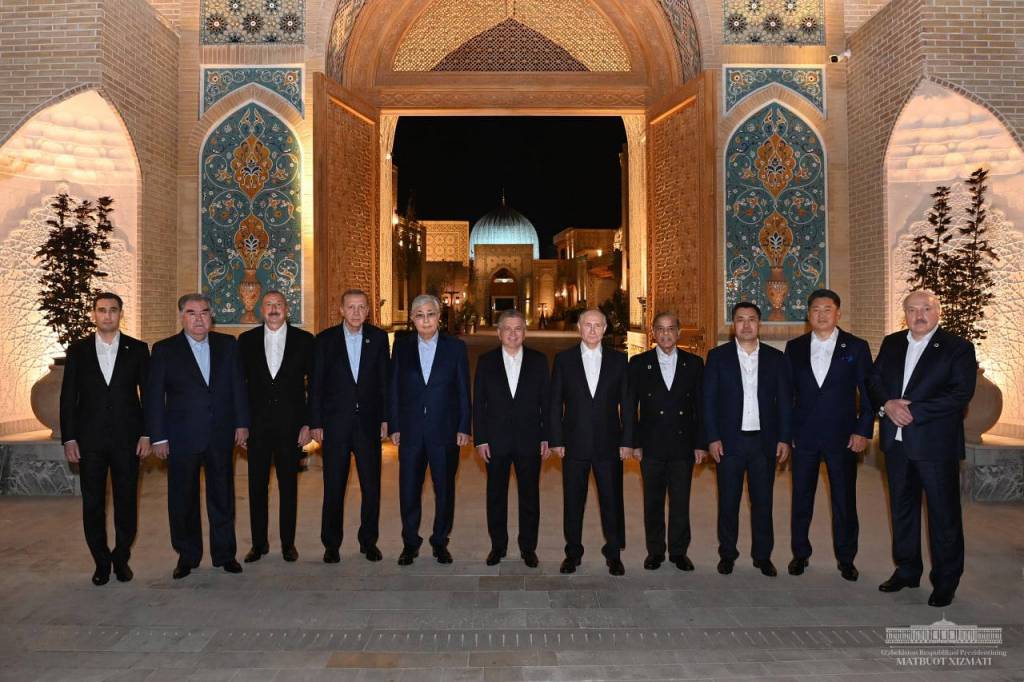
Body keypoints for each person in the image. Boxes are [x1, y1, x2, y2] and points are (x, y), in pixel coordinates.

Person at [869, 290, 976, 608]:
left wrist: (913, 411)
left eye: (926, 309)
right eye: (912, 309)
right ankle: (906, 570)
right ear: (905, 314)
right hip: (897, 444)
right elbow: (873, 381)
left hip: (935, 446)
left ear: (937, 311)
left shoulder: (958, 347)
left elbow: (960, 394)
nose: (919, 315)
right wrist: (886, 405)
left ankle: (945, 581)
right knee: (902, 510)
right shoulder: (892, 343)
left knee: (944, 516)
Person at [146, 293, 249, 579]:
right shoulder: (165, 350)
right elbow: (154, 397)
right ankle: (187, 556)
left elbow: (238, 387)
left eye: (204, 312)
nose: (199, 318)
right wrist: (158, 437)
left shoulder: (228, 345)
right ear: (182, 317)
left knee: (222, 497)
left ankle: (225, 554)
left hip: (220, 434)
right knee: (183, 500)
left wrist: (242, 424)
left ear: (211, 316)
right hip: (181, 437)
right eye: (191, 313)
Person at [59, 292, 149, 585]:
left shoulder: (138, 349)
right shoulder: (78, 350)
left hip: (128, 440)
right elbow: (68, 398)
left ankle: (121, 558)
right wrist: (69, 438)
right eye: (101, 310)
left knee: (127, 502)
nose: (107, 315)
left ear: (121, 313)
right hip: (90, 441)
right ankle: (100, 562)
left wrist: (147, 434)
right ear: (93, 314)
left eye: (112, 310)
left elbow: (148, 396)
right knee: (93, 503)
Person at [784, 289, 873, 581]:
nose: (821, 315)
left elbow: (868, 394)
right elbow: (786, 395)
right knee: (801, 498)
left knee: (844, 501)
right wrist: (787, 432)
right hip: (804, 436)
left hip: (843, 436)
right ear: (808, 315)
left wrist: (863, 430)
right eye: (816, 310)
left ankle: (846, 559)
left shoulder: (856, 346)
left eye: (827, 309)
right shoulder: (794, 347)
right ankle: (800, 554)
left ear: (838, 313)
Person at [703, 301, 791, 577]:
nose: (746, 325)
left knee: (763, 502)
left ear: (759, 324)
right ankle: (727, 554)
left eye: (751, 319)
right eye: (740, 319)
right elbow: (708, 401)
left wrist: (784, 438)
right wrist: (712, 437)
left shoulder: (776, 358)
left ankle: (762, 556)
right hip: (729, 442)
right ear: (733, 325)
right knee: (728, 502)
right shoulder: (717, 357)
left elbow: (785, 402)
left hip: (764, 442)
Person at [548, 309, 633, 576]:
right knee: (573, 502)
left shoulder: (619, 361)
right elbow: (554, 403)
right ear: (579, 328)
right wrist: (556, 439)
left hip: (610, 443)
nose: (593, 330)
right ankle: (572, 553)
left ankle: (613, 553)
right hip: (574, 443)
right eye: (588, 325)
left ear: (605, 329)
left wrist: (628, 440)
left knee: (612, 500)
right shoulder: (564, 360)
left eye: (598, 325)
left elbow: (628, 404)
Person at [389, 294, 471, 566]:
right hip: (411, 431)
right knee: (409, 489)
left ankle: (440, 541)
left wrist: (464, 426)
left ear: (439, 317)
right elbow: (394, 388)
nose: (426, 320)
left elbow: (463, 390)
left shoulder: (455, 348)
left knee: (444, 489)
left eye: (431, 314)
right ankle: (410, 543)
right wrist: (395, 425)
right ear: (412, 319)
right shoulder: (401, 347)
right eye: (420, 315)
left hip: (445, 431)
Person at [309, 289, 390, 563]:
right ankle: (331, 544)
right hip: (335, 425)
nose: (356, 312)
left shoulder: (378, 339)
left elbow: (385, 381)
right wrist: (315, 422)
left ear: (368, 311)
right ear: (341, 310)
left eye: (361, 307)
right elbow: (316, 384)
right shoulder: (325, 340)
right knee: (334, 487)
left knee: (371, 487)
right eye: (351, 307)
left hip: (368, 424)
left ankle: (369, 542)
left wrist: (386, 418)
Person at [238, 291, 314, 564]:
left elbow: (315, 385)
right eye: (269, 304)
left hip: (291, 427)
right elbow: (238, 386)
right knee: (257, 487)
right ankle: (258, 545)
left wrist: (309, 423)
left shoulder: (304, 340)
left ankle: (288, 544)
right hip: (257, 427)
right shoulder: (246, 341)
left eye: (278, 304)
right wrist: (241, 424)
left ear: (286, 309)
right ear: (261, 310)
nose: (273, 309)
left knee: (289, 486)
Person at [628, 312, 705, 572]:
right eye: (660, 329)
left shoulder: (694, 364)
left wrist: (700, 443)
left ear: (679, 332)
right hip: (651, 444)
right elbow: (631, 407)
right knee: (653, 501)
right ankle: (655, 551)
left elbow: (700, 408)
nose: (665, 334)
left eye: (671, 328)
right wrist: (634, 443)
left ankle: (679, 552)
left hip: (683, 444)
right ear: (653, 333)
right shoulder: (639, 363)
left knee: (680, 501)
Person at [473, 309, 549, 568]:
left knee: (530, 496)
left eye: (518, 329)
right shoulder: (486, 361)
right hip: (495, 441)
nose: (513, 334)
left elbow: (547, 403)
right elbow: (478, 403)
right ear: (499, 333)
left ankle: (528, 548)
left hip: (530, 439)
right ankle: (498, 546)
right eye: (507, 328)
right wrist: (481, 439)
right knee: (496, 496)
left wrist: (547, 436)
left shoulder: (539, 361)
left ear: (525, 333)